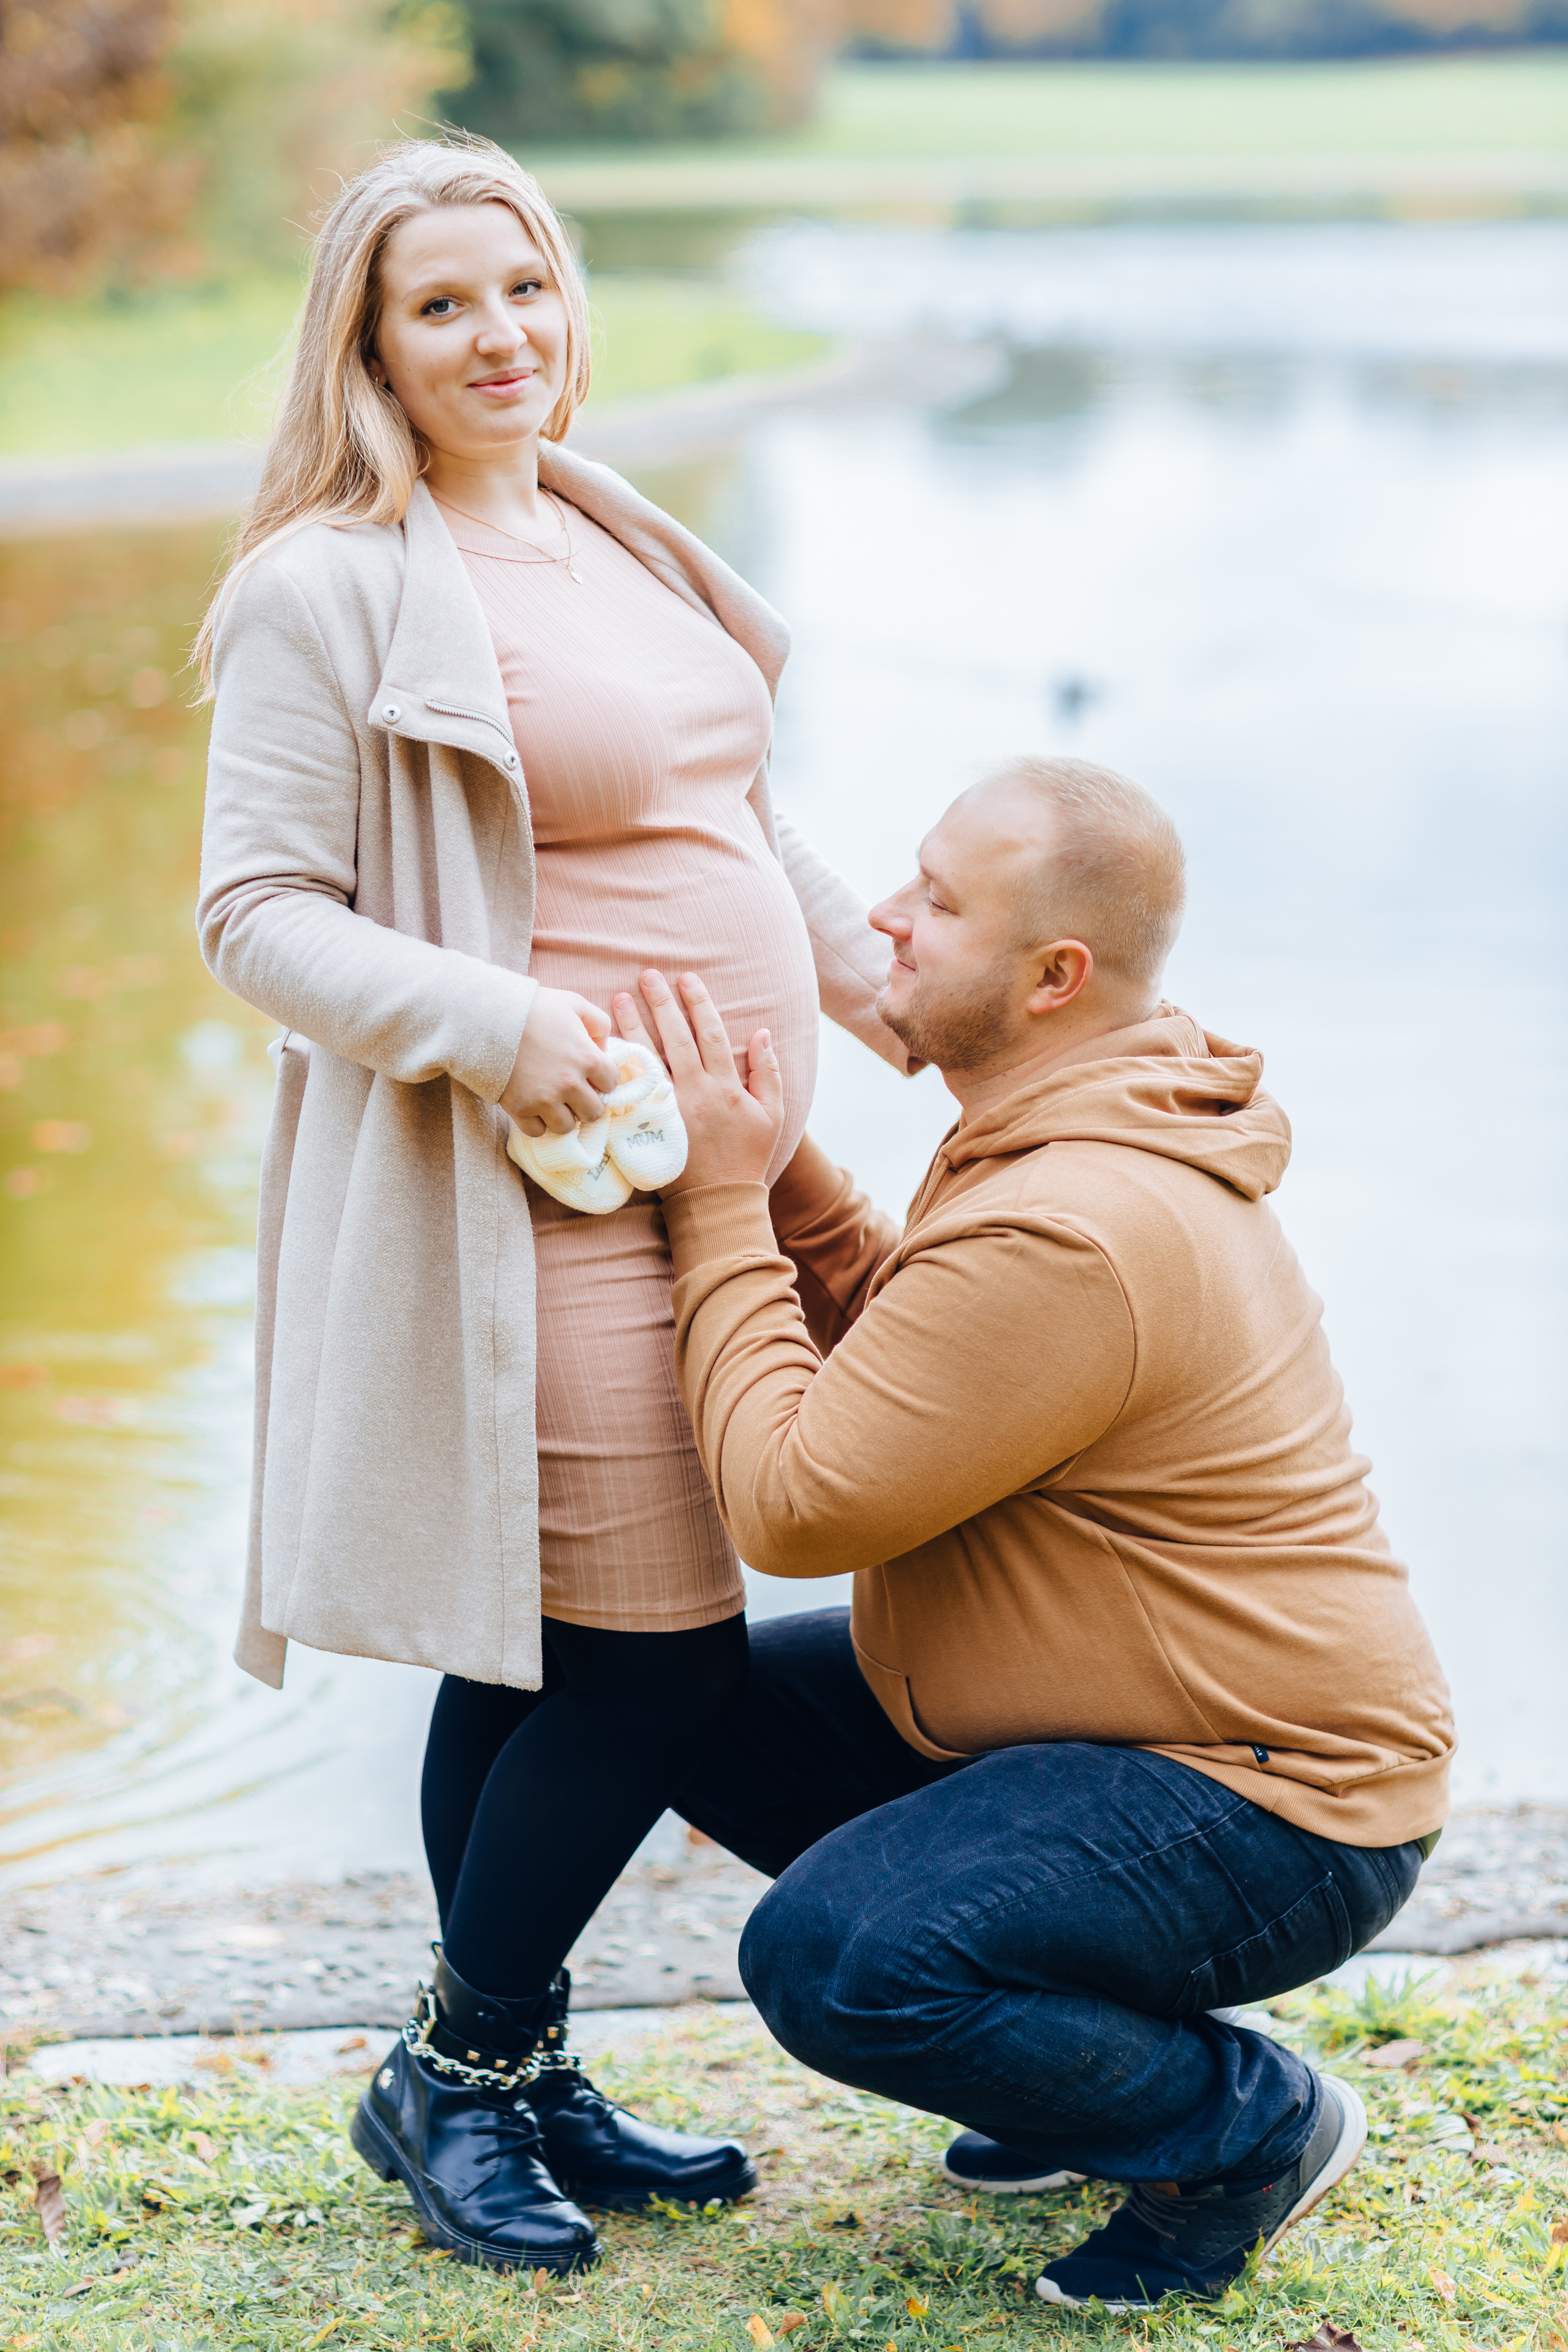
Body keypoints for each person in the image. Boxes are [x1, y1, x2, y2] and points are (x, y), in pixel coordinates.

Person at [194, 133, 913, 2274]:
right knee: (658, 1657)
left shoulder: (611, 525)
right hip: (543, 1196)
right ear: (371, 348)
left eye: (526, 288)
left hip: (735, 1169)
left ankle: (508, 2065)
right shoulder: (330, 583)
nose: (499, 335)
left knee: (531, 1658)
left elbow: (730, 812)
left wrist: (886, 992)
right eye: (442, 305)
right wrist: (500, 1024)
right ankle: (462, 2068)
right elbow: (252, 916)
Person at [615, 754, 1455, 2314]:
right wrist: (781, 1165)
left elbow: (798, 1504)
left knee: (841, 1957)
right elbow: (925, 1355)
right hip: (1117, 1727)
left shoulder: (1077, 1215)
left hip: (1273, 1794)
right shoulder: (1061, 1126)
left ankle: (1234, 2130)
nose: (880, 918)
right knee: (677, 1700)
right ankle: (1063, 2069)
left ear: (1053, 976)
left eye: (936, 902)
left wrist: (717, 1208)